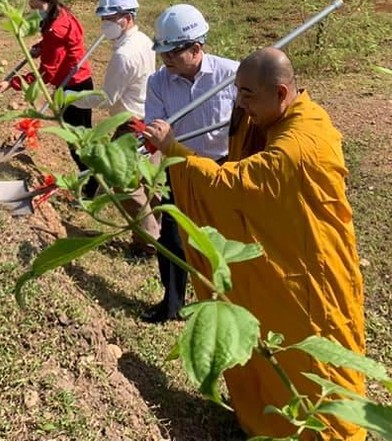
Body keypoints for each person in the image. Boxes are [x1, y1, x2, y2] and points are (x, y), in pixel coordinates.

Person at [143, 47, 366, 440]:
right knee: (265, 344)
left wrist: (175, 149)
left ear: (281, 94)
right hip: (286, 259)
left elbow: (233, 185)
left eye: (248, 95)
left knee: (313, 359)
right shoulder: (285, 116)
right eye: (237, 92)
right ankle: (265, 418)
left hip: (311, 277)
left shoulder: (299, 144)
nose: (240, 104)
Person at [142, 4, 238, 323]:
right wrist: (156, 134)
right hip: (179, 166)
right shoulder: (159, 82)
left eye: (172, 52)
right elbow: (153, 125)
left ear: (196, 48)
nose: (165, 59)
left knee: (224, 239)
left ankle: (224, 303)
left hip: (221, 167)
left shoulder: (231, 75)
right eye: (163, 52)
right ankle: (172, 303)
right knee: (171, 237)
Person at [68, 0, 159, 251]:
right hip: (150, 119)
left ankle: (148, 242)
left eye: (110, 18)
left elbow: (106, 98)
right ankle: (157, 232)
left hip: (130, 126)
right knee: (150, 183)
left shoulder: (124, 54)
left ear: (127, 17)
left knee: (124, 185)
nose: (105, 24)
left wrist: (72, 97)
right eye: (103, 18)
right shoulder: (144, 41)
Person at [0, 0, 93, 170]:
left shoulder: (56, 30)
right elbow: (61, 46)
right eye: (32, 7)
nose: (35, 11)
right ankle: (92, 179)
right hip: (82, 80)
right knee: (84, 135)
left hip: (72, 86)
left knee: (77, 141)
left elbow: (46, 74)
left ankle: (90, 185)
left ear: (47, 1)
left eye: (38, 7)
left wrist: (13, 83)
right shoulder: (62, 14)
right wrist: (41, 47)